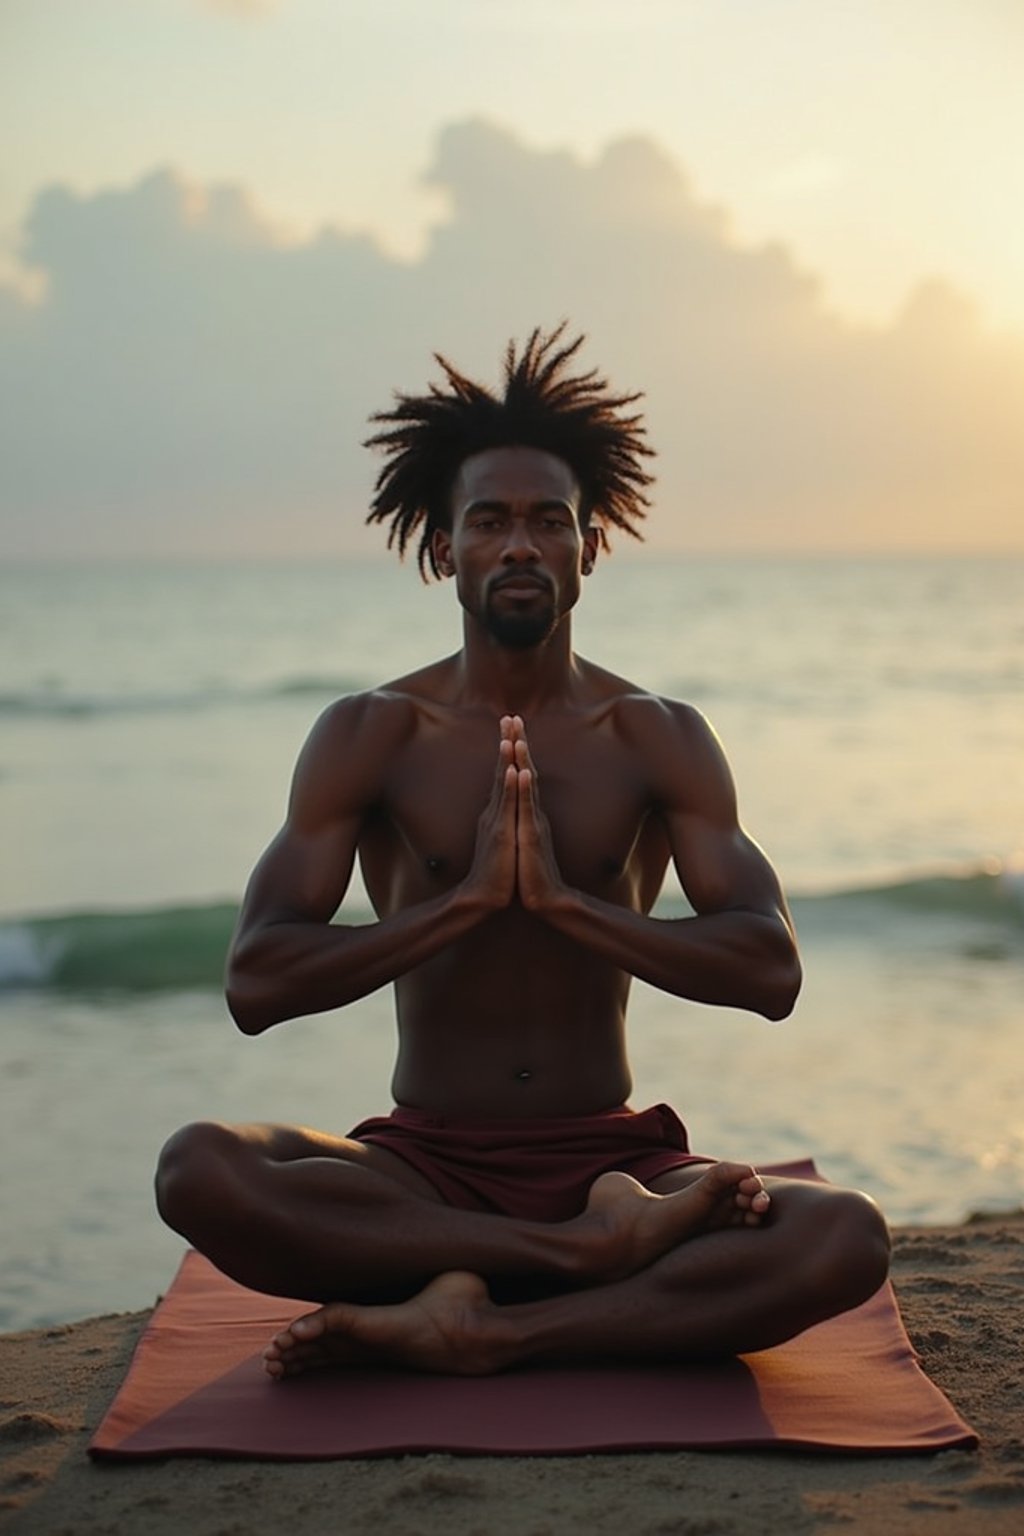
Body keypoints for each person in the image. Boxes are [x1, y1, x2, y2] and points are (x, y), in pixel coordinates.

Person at [155, 327, 890, 1379]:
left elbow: (770, 972)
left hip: (613, 1163)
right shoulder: (371, 735)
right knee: (200, 1169)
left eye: (549, 522)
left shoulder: (655, 736)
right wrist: (452, 910)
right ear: (442, 549)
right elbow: (256, 984)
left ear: (588, 547)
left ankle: (494, 1327)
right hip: (422, 1173)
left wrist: (565, 904)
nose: (518, 546)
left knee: (843, 1233)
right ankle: (573, 1261)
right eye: (489, 522)